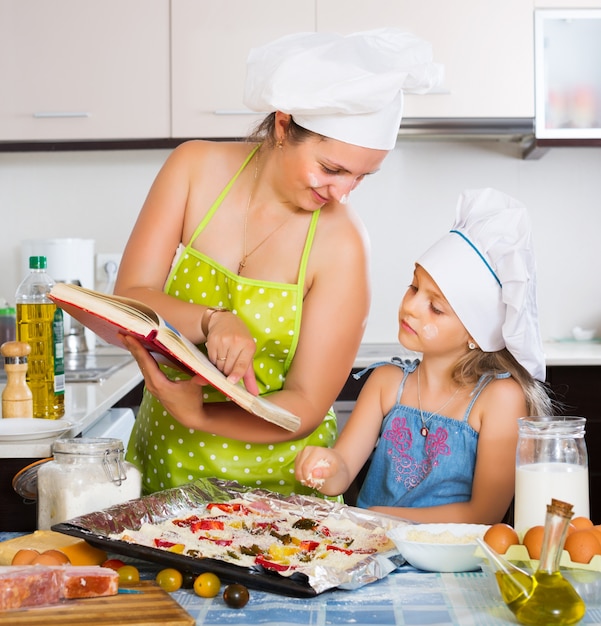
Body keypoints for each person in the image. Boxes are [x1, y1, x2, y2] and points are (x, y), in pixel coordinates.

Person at [114, 29, 442, 496]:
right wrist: (212, 321)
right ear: (284, 126)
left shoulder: (343, 242)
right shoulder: (192, 169)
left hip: (285, 487)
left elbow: (306, 403)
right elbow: (129, 297)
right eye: (331, 169)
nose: (342, 193)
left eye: (362, 177)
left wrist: (201, 414)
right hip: (168, 459)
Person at [295, 188, 553, 524]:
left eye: (436, 308)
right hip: (373, 552)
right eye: (414, 287)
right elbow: (343, 469)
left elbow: (484, 514)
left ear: (476, 333)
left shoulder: (500, 398)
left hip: (451, 566)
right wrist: (326, 467)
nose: (411, 307)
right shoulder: (387, 383)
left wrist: (373, 517)